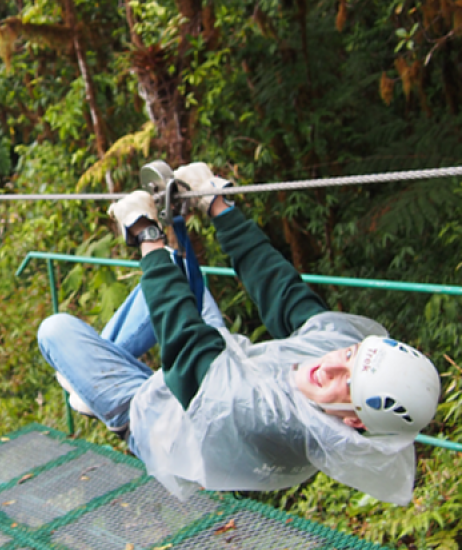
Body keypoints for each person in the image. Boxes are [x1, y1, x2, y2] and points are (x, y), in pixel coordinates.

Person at [37, 162, 442, 505]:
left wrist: (147, 234)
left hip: (158, 416)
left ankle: (96, 395)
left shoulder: (266, 419)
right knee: (171, 277)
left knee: (56, 331)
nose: (332, 365)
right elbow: (280, 288)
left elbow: (187, 347)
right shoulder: (334, 352)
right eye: (352, 356)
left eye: (348, 382)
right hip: (222, 362)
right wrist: (215, 204)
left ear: (353, 421)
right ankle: (89, 382)